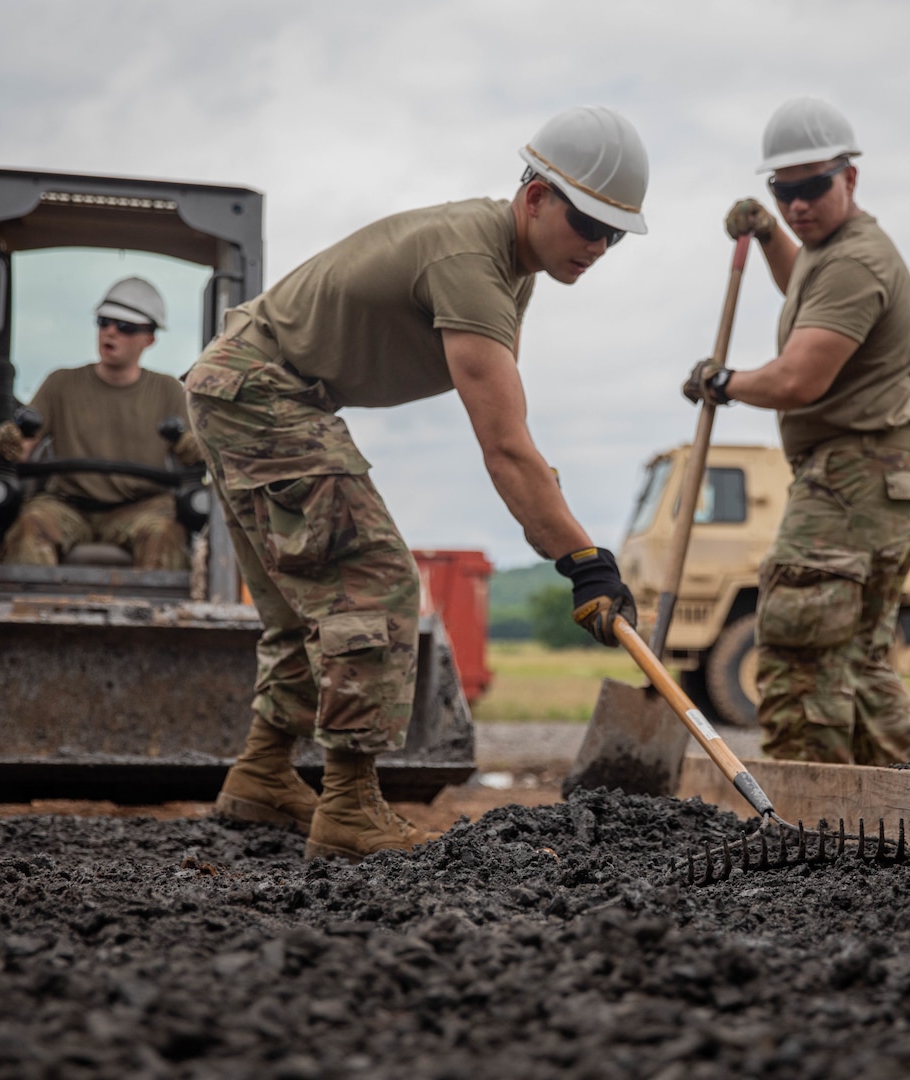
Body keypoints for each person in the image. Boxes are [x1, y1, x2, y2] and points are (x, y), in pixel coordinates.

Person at [189, 106, 647, 860]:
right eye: (588, 223)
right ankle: (348, 810)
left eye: (615, 234)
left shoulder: (508, 272)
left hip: (241, 386)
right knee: (376, 586)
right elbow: (504, 447)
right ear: (535, 198)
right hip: (262, 389)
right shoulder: (469, 261)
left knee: (308, 604)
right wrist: (583, 560)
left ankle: (264, 774)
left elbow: (512, 432)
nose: (599, 246)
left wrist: (567, 536)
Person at [684, 97, 910, 767]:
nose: (798, 204)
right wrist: (769, 235)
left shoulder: (856, 263)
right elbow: (805, 290)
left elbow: (798, 381)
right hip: (870, 478)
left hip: (852, 482)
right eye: (782, 191)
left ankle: (808, 825)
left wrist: (722, 383)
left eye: (812, 187)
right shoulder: (833, 255)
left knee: (801, 658)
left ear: (850, 178)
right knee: (853, 662)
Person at [0, 277, 195, 570]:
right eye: (104, 322)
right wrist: (7, 443)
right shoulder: (60, 384)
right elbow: (23, 448)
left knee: (165, 534)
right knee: (31, 525)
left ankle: (159, 615)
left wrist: (191, 448)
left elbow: (192, 456)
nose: (111, 332)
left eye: (125, 327)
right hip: (67, 506)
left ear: (149, 339)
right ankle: (32, 612)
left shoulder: (167, 391)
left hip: (142, 508)